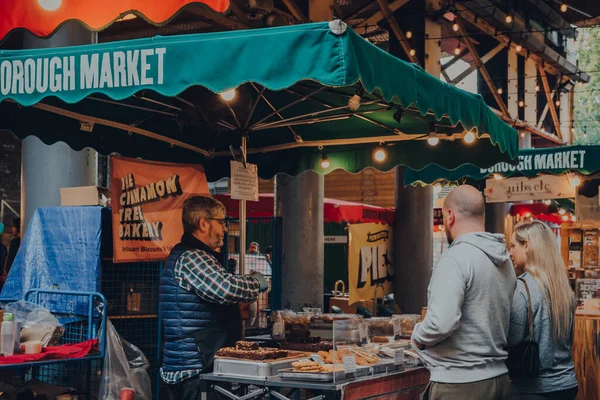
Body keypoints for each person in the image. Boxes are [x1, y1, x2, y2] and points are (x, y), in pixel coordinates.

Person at [411, 185, 516, 400]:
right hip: (500, 379)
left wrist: (417, 336)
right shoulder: (505, 261)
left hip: (460, 385)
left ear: (450, 216)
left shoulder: (455, 259)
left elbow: (441, 322)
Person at [159, 196, 269, 400]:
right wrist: (256, 282)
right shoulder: (191, 257)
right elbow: (225, 288)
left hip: (201, 365)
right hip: (194, 371)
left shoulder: (200, 256)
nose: (225, 229)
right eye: (221, 222)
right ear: (203, 223)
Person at [508, 220, 578, 399]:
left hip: (533, 389)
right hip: (567, 385)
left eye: (513, 246)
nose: (510, 253)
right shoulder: (563, 288)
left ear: (527, 245)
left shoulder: (522, 288)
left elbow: (512, 339)